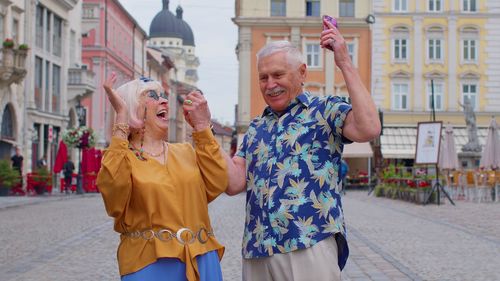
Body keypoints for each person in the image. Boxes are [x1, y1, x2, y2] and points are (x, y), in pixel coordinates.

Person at [224, 18, 381, 281]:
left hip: (309, 243)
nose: (269, 84)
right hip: (258, 249)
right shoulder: (255, 128)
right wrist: (204, 129)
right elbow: (234, 183)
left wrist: (344, 62)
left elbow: (369, 128)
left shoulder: (324, 110)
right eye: (263, 77)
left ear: (302, 73)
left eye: (278, 75)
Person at [96, 72, 228, 281]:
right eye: (152, 96)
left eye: (163, 95)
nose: (164, 100)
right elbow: (114, 201)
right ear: (132, 108)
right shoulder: (122, 158)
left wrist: (202, 128)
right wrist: (121, 118)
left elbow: (217, 182)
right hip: (149, 263)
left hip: (201, 258)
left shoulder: (185, 152)